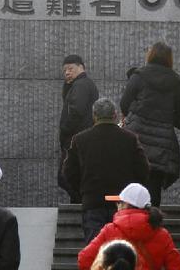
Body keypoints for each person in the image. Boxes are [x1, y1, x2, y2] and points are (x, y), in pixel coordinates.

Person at [78, 183, 180, 270]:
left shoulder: (110, 231)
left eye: (119, 203)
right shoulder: (162, 235)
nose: (117, 206)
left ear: (125, 205)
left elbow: (84, 260)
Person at [63, 98, 150, 243]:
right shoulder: (129, 139)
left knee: (96, 251)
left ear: (94, 116)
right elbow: (143, 170)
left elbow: (69, 172)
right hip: (122, 202)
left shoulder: (80, 140)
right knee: (122, 250)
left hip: (93, 201)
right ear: (115, 115)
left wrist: (83, 190)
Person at [120, 42, 180, 206]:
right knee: (153, 187)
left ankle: (131, 223)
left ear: (151, 55)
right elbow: (179, 111)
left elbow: (124, 104)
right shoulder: (175, 82)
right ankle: (151, 224)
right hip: (162, 142)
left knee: (133, 185)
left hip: (137, 137)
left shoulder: (139, 76)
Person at [58, 54, 99, 203]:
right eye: (64, 70)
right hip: (80, 139)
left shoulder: (81, 85)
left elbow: (76, 111)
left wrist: (65, 129)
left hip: (75, 139)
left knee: (65, 177)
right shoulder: (80, 84)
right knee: (73, 177)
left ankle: (81, 202)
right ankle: (80, 203)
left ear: (81, 67)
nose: (67, 73)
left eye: (70, 68)